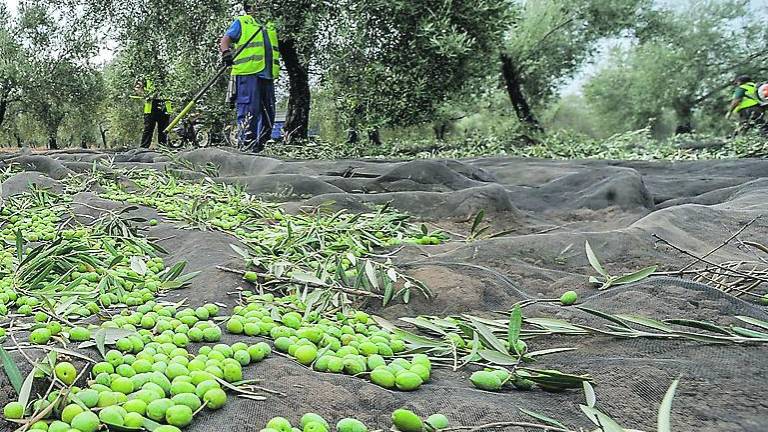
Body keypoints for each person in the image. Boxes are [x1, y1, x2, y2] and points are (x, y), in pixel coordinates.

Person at [219, 1, 281, 153]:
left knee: (269, 114)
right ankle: (246, 148)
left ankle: (260, 148)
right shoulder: (242, 22)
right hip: (248, 75)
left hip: (267, 76)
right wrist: (226, 53)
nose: (260, 7)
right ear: (249, 8)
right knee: (249, 113)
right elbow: (225, 39)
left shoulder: (271, 25)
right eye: (256, 4)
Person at [133, 78, 173, 148]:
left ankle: (163, 148)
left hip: (165, 105)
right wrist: (143, 93)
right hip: (150, 106)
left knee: (163, 131)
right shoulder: (147, 75)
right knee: (148, 129)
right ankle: (143, 149)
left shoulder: (167, 76)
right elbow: (137, 88)